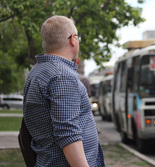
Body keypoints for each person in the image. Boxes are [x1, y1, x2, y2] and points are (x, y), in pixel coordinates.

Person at [23, 15, 105, 167]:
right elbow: (68, 134)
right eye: (78, 37)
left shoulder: (37, 71)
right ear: (73, 39)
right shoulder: (62, 76)